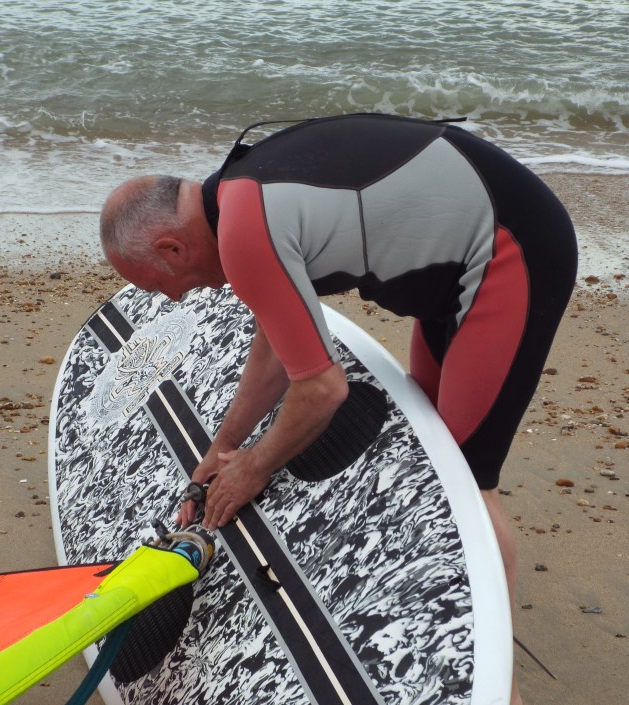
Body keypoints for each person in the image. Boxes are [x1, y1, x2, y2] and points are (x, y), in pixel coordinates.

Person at [100, 113, 577, 705]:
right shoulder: (235, 199)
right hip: (453, 270)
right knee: (433, 460)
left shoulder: (245, 232)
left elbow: (323, 389)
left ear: (172, 246)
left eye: (161, 284)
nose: (177, 296)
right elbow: (278, 350)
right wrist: (222, 450)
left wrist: (253, 468)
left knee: (464, 489)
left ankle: (499, 690)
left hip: (509, 251)